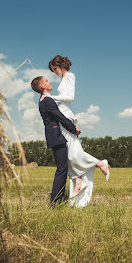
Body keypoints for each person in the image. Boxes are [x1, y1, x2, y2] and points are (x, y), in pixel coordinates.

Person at [42, 55, 109, 208]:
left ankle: (99, 163)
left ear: (59, 66)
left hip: (67, 117)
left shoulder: (70, 76)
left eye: (54, 69)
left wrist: (52, 99)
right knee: (70, 153)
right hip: (64, 116)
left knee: (72, 153)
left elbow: (69, 97)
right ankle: (77, 178)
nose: (54, 73)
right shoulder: (64, 79)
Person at [31, 75, 81, 207]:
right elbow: (60, 117)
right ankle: (55, 202)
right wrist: (73, 129)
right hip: (56, 136)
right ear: (43, 87)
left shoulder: (43, 100)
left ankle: (57, 200)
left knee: (61, 168)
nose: (49, 82)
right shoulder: (47, 100)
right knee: (62, 169)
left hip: (53, 135)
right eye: (46, 81)